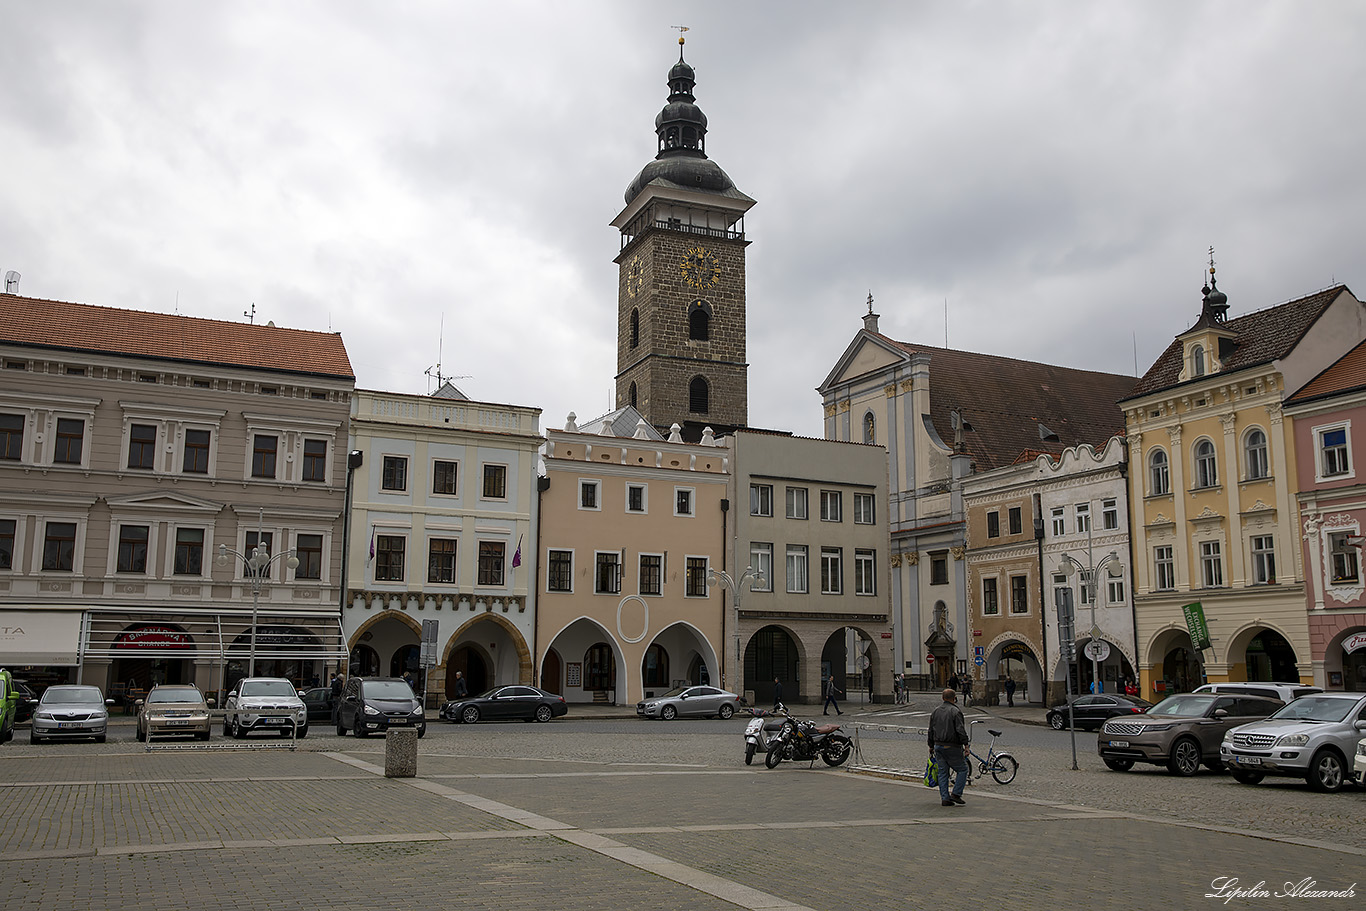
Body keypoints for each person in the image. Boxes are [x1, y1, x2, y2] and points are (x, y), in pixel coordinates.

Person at [927, 688, 969, 807]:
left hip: (938, 745)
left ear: (942, 698)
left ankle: (945, 798)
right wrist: (966, 744)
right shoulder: (955, 711)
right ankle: (956, 793)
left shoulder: (935, 711)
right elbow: (960, 730)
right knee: (962, 769)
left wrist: (931, 745)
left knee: (943, 773)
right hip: (952, 745)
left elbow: (930, 730)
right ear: (954, 698)